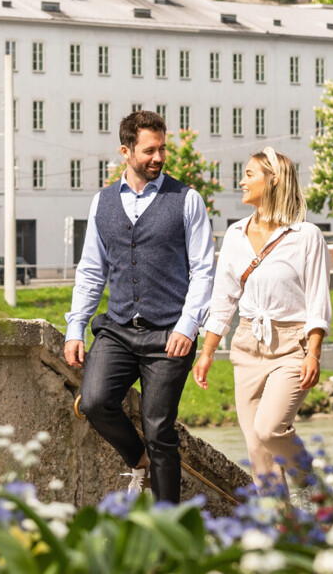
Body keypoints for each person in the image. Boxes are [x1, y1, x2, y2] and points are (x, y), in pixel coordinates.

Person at [67, 110, 216, 503]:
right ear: (126, 151)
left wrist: (188, 326)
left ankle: (169, 525)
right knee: (95, 402)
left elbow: (204, 270)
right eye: (150, 150)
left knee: (159, 431)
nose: (159, 157)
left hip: (169, 333)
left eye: (162, 149)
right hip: (117, 328)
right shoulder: (102, 202)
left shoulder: (187, 200)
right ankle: (138, 461)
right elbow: (91, 270)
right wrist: (75, 327)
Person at [192, 147, 330, 492]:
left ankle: (312, 486)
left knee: (269, 429)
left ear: (274, 180)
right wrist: (207, 352)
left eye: (249, 174)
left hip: (292, 347)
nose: (242, 181)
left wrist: (313, 352)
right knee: (257, 449)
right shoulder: (235, 235)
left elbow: (318, 300)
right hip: (247, 345)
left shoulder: (306, 236)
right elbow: (224, 298)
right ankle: (279, 520)